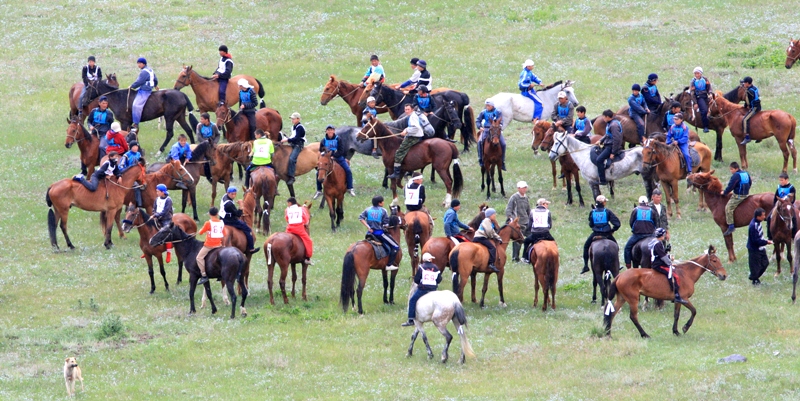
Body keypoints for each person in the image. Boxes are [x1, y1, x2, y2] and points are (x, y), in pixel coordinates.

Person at [581, 195, 621, 274]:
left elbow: (591, 224)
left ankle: (585, 265)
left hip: (595, 233)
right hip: (607, 234)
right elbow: (617, 223)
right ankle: (617, 265)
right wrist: (612, 230)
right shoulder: (607, 211)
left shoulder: (592, 212)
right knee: (616, 247)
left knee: (586, 247)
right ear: (603, 203)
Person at [359, 196, 399, 271]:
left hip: (369, 233)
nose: (383, 203)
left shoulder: (368, 209)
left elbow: (361, 218)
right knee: (396, 246)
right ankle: (389, 265)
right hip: (379, 233)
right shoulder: (383, 211)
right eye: (383, 201)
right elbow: (386, 224)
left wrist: (368, 227)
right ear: (379, 203)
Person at [313, 125, 354, 198]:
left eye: (331, 130)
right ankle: (319, 190)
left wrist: (333, 156)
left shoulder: (338, 139)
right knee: (318, 173)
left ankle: (350, 188)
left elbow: (341, 150)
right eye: (328, 130)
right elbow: (321, 150)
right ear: (326, 131)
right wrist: (325, 154)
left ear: (334, 131)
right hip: (327, 158)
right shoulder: (323, 140)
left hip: (338, 157)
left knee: (348, 170)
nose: (330, 131)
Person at [648, 227, 688, 304]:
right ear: (661, 235)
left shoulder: (655, 242)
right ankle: (676, 295)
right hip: (658, 264)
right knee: (675, 276)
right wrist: (670, 261)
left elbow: (660, 253)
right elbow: (663, 257)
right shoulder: (658, 244)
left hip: (656, 261)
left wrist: (666, 251)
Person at [401, 252, 442, 327]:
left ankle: (410, 319)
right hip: (433, 289)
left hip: (423, 289)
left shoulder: (421, 267)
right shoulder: (435, 267)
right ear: (429, 259)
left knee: (412, 300)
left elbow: (416, 280)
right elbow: (439, 279)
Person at [219, 187, 259, 254]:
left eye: (235, 194)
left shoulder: (224, 197)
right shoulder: (229, 204)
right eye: (232, 194)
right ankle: (251, 248)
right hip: (230, 220)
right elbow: (238, 214)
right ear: (228, 193)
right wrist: (241, 206)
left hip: (222, 219)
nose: (234, 196)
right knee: (248, 229)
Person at [388, 104, 423, 179]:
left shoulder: (413, 117)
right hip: (412, 135)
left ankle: (396, 173)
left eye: (408, 109)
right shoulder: (411, 116)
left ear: (412, 109)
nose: (406, 111)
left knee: (399, 152)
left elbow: (415, 128)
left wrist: (406, 130)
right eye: (405, 110)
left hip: (414, 137)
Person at [624, 196, 657, 268]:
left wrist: (635, 229)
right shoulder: (652, 211)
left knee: (627, 248)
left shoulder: (635, 210)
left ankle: (628, 264)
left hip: (637, 235)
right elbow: (656, 223)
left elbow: (631, 222)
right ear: (647, 203)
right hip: (650, 235)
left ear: (639, 203)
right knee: (660, 245)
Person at [196, 207, 225, 285]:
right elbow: (224, 233)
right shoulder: (221, 222)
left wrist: (199, 231)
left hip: (209, 245)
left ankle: (204, 275)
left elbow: (201, 232)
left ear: (209, 214)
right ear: (217, 214)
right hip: (219, 244)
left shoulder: (208, 223)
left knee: (199, 258)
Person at [721, 161, 751, 235]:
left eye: (731, 169)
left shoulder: (736, 176)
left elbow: (731, 186)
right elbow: (750, 182)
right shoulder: (745, 173)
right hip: (746, 194)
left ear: (736, 168)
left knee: (728, 208)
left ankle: (731, 226)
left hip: (738, 196)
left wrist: (724, 193)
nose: (731, 171)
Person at [129, 57, 158, 133]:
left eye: (139, 63)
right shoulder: (150, 69)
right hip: (148, 88)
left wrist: (131, 86)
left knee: (136, 105)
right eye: (138, 63)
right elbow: (155, 79)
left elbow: (139, 82)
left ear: (143, 64)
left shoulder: (144, 72)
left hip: (145, 90)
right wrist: (155, 85)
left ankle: (136, 123)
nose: (138, 65)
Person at [766, 172, 797, 240]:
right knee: (768, 218)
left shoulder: (791, 188)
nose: (781, 182)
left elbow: (793, 198)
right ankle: (770, 236)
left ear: (786, 180)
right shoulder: (779, 187)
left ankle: (794, 234)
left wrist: (788, 204)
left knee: (794, 218)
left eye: (782, 180)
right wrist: (775, 206)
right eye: (780, 180)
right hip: (779, 205)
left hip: (788, 205)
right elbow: (776, 197)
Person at [476, 100, 506, 170]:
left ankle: (502, 161)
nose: (487, 107)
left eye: (488, 105)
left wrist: (499, 125)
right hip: (486, 129)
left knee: (503, 144)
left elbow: (501, 120)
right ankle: (481, 159)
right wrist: (479, 126)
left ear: (492, 106)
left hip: (495, 130)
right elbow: (478, 120)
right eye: (486, 105)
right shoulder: (483, 112)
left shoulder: (498, 112)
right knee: (480, 142)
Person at [506, 181, 531, 262]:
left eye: (525, 187)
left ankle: (527, 257)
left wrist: (530, 218)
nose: (524, 189)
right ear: (518, 188)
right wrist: (512, 220)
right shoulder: (514, 197)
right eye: (522, 188)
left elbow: (528, 210)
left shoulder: (526, 197)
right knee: (517, 241)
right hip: (518, 224)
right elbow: (509, 210)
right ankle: (515, 258)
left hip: (526, 222)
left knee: (531, 238)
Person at [596, 110, 623, 185]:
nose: (603, 118)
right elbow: (607, 134)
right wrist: (600, 141)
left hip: (611, 147)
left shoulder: (614, 125)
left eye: (604, 117)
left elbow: (616, 139)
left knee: (599, 160)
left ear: (608, 117)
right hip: (608, 144)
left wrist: (613, 152)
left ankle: (602, 180)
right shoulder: (610, 123)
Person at [747, 208, 773, 285]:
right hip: (754, 249)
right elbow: (756, 240)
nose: (764, 217)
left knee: (765, 263)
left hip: (761, 248)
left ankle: (754, 277)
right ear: (758, 216)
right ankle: (755, 279)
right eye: (763, 215)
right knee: (755, 266)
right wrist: (766, 242)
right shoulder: (753, 226)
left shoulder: (758, 222)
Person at [473, 208, 502, 273]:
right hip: (481, 237)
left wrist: (498, 237)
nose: (495, 215)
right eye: (494, 214)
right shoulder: (487, 220)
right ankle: (491, 263)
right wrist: (492, 237)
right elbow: (489, 231)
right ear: (490, 215)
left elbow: (492, 231)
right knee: (492, 248)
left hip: (478, 237)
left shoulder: (489, 221)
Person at [285, 197, 313, 265]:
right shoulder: (301, 209)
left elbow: (287, 219)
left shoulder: (287, 210)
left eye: (288, 203)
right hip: (299, 229)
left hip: (289, 229)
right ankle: (308, 257)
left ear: (290, 203)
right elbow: (306, 221)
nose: (287, 204)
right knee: (308, 241)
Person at [282, 112, 306, 185]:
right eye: (292, 119)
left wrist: (287, 140)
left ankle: (292, 176)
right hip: (293, 143)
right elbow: (293, 137)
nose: (292, 120)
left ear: (298, 119)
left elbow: (297, 138)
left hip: (298, 144)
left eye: (293, 119)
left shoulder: (300, 127)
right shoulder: (293, 127)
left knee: (292, 159)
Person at [690, 66, 712, 133]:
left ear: (701, 73)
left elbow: (709, 87)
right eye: (695, 73)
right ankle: (705, 126)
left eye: (698, 73)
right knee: (704, 110)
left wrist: (710, 93)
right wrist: (695, 102)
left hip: (706, 95)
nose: (697, 75)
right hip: (699, 97)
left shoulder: (705, 79)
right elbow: (692, 92)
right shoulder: (693, 81)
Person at [740, 76, 761, 145]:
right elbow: (758, 95)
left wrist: (745, 106)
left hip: (754, 107)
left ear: (747, 83)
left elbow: (748, 102)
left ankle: (747, 137)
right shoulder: (755, 88)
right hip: (759, 106)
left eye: (744, 83)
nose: (743, 84)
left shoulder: (749, 91)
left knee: (745, 120)